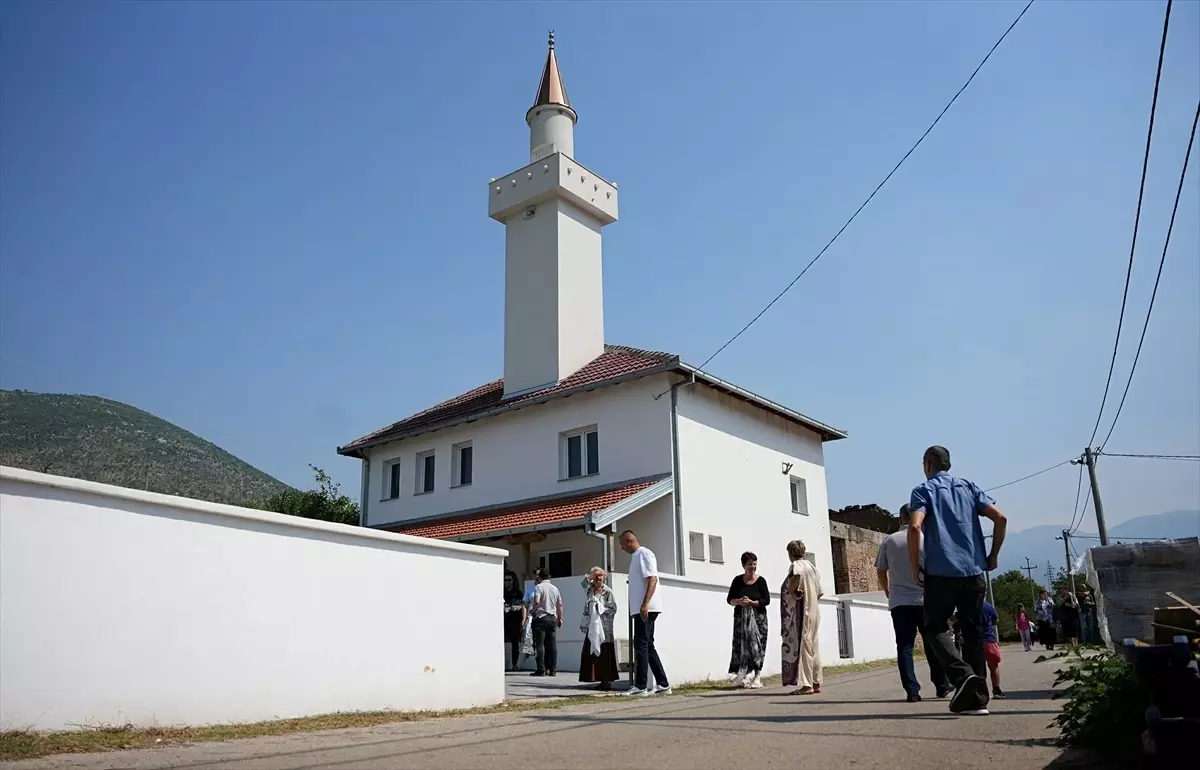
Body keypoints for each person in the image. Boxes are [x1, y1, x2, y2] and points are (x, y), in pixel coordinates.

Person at [907, 445, 1007, 716]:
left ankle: (963, 677)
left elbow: (915, 526)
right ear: (948, 465)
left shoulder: (923, 490)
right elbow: (1000, 518)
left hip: (941, 574)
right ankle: (977, 700)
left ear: (928, 464)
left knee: (934, 627)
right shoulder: (969, 487)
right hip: (974, 571)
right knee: (973, 632)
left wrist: (916, 564)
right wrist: (992, 555)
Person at [876, 504, 951, 702]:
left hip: (900, 601)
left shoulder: (889, 541)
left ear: (900, 518)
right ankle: (942, 685)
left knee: (904, 646)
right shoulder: (927, 539)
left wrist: (887, 590)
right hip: (926, 600)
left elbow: (881, 570)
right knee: (932, 643)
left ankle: (912, 690)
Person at [620, 530, 671, 697]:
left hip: (646, 608)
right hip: (643, 608)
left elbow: (652, 578)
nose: (621, 548)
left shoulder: (643, 553)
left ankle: (640, 686)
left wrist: (645, 604)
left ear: (629, 541)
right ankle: (663, 684)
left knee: (641, 645)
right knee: (648, 646)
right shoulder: (637, 556)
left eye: (622, 544)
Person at [781, 539, 823, 695]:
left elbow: (796, 577)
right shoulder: (812, 567)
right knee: (814, 646)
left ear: (791, 553)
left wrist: (792, 591)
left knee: (804, 646)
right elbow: (820, 591)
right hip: (814, 610)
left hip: (803, 609)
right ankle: (816, 681)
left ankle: (807, 685)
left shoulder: (796, 565)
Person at [727, 551, 770, 689]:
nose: (752, 567)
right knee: (740, 646)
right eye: (749, 564)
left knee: (756, 646)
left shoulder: (761, 581)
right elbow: (730, 600)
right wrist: (739, 601)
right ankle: (742, 675)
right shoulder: (737, 581)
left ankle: (757, 677)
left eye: (754, 564)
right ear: (743, 565)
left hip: (758, 619)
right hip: (741, 619)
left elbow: (766, 600)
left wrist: (752, 602)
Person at [578, 567, 619, 690]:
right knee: (590, 652)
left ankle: (606, 681)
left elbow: (613, 609)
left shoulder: (608, 592)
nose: (599, 578)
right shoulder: (589, 590)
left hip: (604, 628)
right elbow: (583, 583)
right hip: (591, 626)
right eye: (597, 576)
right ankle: (594, 678)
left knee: (605, 653)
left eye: (601, 576)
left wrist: (600, 609)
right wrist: (591, 576)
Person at [527, 568, 562, 677]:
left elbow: (537, 601)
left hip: (541, 617)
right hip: (552, 618)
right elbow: (559, 605)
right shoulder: (555, 589)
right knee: (552, 644)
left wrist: (533, 610)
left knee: (540, 644)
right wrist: (560, 618)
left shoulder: (539, 587)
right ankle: (553, 669)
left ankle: (541, 669)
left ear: (540, 577)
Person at [502, 564, 525, 671]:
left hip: (514, 620)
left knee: (515, 643)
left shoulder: (517, 593)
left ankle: (514, 664)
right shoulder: (501, 592)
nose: (507, 582)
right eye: (505, 580)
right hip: (504, 620)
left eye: (509, 580)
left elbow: (519, 605)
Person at [981, 600, 1004, 697]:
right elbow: (995, 620)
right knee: (993, 666)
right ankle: (996, 689)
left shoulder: (968, 605)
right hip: (989, 638)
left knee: (976, 668)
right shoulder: (988, 606)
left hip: (974, 640)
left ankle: (979, 692)